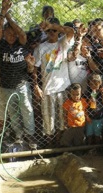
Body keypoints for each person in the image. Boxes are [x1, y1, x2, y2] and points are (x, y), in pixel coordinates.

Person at [0, 0, 37, 148]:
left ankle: (30, 135)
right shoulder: (1, 44)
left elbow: (21, 33)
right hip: (6, 85)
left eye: (14, 33)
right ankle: (18, 135)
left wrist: (9, 18)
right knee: (12, 112)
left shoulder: (22, 43)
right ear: (5, 34)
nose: (12, 35)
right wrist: (3, 11)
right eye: (8, 33)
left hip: (22, 83)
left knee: (27, 109)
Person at [35, 17, 75, 145]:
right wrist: (36, 85)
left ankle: (60, 144)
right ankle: (50, 146)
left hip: (63, 88)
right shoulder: (41, 47)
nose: (51, 33)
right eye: (48, 31)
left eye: (54, 30)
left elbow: (71, 32)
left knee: (62, 121)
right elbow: (34, 68)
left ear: (58, 31)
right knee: (48, 121)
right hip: (47, 89)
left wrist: (52, 25)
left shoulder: (62, 43)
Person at [85, 73, 103, 144]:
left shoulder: (102, 92)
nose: (93, 86)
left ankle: (97, 148)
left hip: (99, 117)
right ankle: (89, 148)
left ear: (100, 83)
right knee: (89, 134)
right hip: (90, 118)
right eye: (91, 84)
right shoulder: (88, 92)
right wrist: (93, 96)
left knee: (97, 134)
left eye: (96, 84)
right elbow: (91, 105)